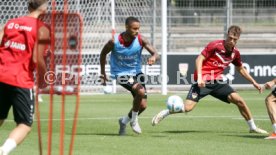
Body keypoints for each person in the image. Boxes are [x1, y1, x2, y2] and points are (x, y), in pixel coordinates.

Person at [152, 25, 268, 134]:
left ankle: (252, 127)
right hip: (203, 82)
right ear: (227, 35)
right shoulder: (215, 45)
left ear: (238, 40)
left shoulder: (235, 53)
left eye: (235, 39)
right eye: (230, 38)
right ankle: (166, 112)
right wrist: (201, 77)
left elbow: (241, 69)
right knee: (187, 108)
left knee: (240, 101)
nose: (231, 41)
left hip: (217, 82)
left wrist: (254, 82)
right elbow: (199, 60)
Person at [0, 0, 49, 154]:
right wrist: (42, 79)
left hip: (1, 75)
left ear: (28, 6)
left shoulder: (11, 22)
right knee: (25, 123)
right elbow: (37, 58)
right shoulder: (42, 29)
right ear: (45, 10)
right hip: (20, 80)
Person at [100, 16, 159, 135]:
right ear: (127, 27)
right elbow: (102, 55)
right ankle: (134, 120)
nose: (137, 31)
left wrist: (153, 57)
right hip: (120, 73)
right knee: (140, 91)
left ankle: (123, 121)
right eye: (134, 29)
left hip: (136, 73)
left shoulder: (141, 40)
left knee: (142, 105)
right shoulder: (114, 42)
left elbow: (155, 53)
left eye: (138, 28)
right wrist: (102, 73)